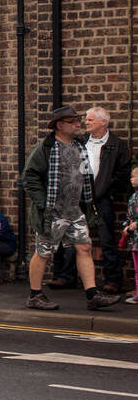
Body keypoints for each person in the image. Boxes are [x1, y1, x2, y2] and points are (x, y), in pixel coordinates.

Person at [21, 105, 120, 310]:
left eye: (78, 121)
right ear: (60, 125)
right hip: (52, 212)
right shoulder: (46, 148)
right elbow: (29, 177)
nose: (78, 124)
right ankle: (35, 295)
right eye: (73, 122)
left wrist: (88, 202)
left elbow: (85, 177)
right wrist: (43, 204)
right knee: (44, 251)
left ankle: (93, 295)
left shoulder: (80, 147)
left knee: (84, 247)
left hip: (75, 210)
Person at [50, 107, 130, 293]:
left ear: (104, 122)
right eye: (86, 120)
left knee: (106, 238)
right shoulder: (79, 142)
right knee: (72, 237)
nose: (86, 122)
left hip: (101, 198)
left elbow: (123, 172)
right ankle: (66, 277)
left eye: (91, 120)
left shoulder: (117, 144)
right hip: (76, 197)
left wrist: (107, 188)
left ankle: (112, 281)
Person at [120, 165, 138, 304]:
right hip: (134, 240)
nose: (131, 179)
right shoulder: (133, 197)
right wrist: (126, 227)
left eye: (134, 176)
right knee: (137, 269)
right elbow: (129, 217)